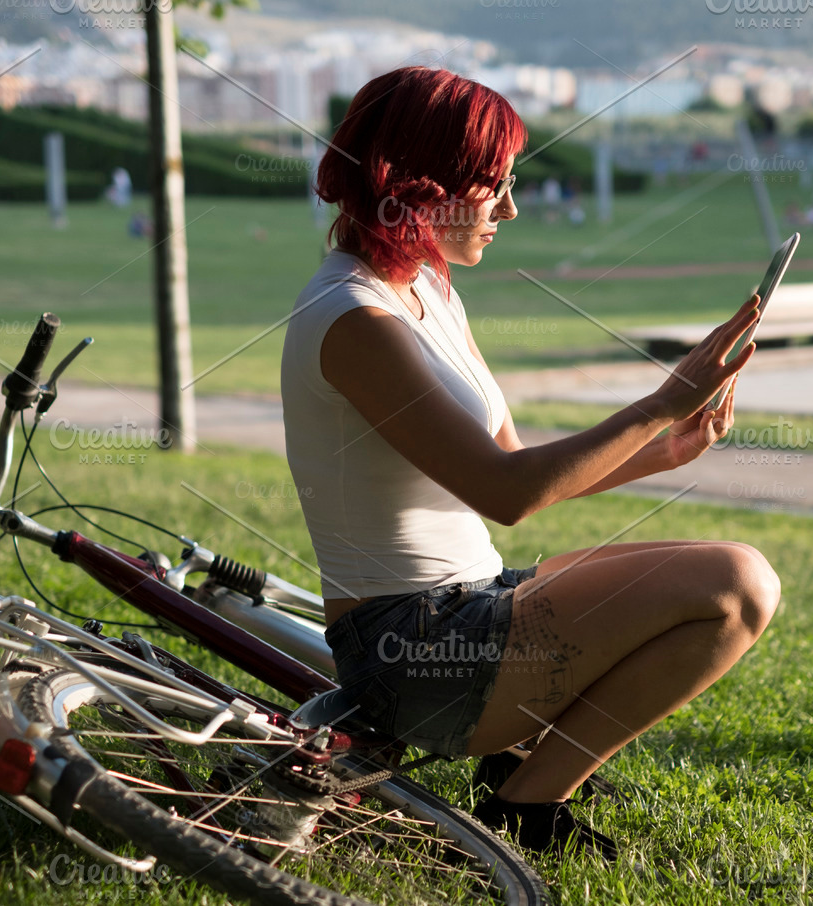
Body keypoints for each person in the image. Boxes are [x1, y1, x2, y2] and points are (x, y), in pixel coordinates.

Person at [281, 66, 779, 863]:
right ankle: (526, 804)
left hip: (480, 598)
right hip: (415, 650)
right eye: (494, 185)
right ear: (417, 185)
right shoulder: (353, 318)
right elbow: (506, 494)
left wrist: (665, 449)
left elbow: (510, 461)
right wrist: (658, 401)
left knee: (704, 584)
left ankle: (525, 784)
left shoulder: (427, 289)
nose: (510, 207)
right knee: (738, 583)